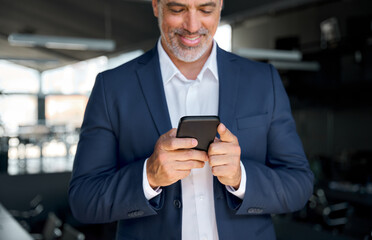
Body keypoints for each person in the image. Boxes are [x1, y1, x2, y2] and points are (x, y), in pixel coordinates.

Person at [68, 0, 314, 239]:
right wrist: (148, 176)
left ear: (220, 5)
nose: (193, 26)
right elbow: (83, 199)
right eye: (178, 9)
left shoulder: (263, 81)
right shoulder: (111, 87)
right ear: (156, 5)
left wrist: (241, 177)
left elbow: (299, 184)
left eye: (205, 9)